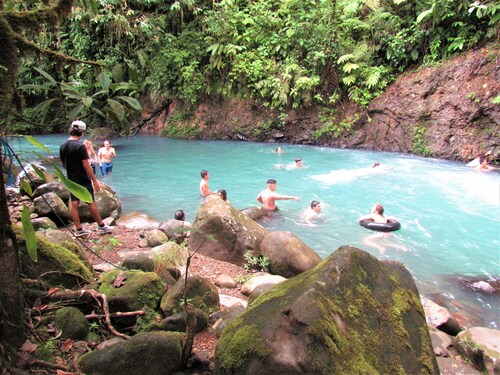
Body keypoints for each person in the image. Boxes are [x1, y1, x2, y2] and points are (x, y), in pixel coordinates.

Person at [59, 120, 112, 236]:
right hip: (82, 178)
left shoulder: (62, 146)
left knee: (74, 204)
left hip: (71, 179)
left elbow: (62, 164)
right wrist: (94, 180)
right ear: (82, 132)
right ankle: (101, 226)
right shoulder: (80, 146)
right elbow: (86, 166)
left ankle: (78, 229)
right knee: (91, 202)